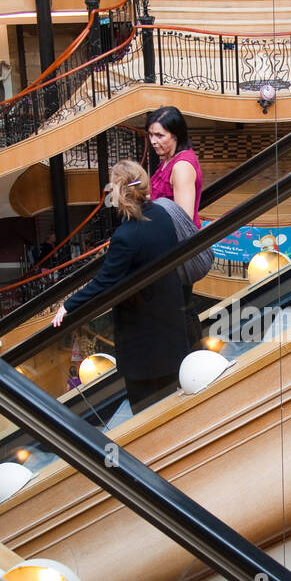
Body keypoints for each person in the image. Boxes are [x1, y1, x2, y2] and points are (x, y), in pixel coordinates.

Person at [51, 160, 190, 416]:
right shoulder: (162, 215)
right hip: (171, 327)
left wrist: (68, 305)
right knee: (172, 403)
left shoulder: (125, 236)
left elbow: (105, 281)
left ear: (117, 191)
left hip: (143, 343)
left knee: (146, 413)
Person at [146, 106, 203, 346]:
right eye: (150, 135)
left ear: (176, 135)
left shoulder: (180, 166)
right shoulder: (168, 160)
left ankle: (193, 355)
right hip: (166, 250)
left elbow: (183, 220)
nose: (153, 141)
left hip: (175, 253)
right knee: (177, 308)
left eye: (160, 135)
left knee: (182, 308)